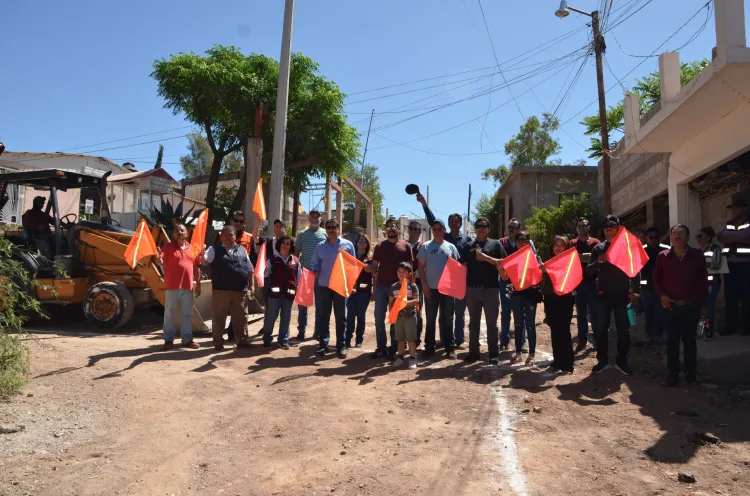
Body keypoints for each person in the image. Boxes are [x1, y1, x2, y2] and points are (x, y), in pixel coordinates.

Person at [653, 225, 709, 387]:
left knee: (690, 341)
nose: (677, 236)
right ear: (670, 236)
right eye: (674, 233)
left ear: (688, 236)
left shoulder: (697, 256)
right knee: (672, 341)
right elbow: (656, 280)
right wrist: (662, 296)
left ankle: (690, 376)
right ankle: (673, 374)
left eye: (681, 233)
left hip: (691, 306)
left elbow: (703, 282)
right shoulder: (663, 256)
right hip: (671, 307)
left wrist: (704, 304)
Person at [586, 215, 640, 376]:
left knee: (624, 329)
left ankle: (622, 361)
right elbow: (588, 271)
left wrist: (636, 291)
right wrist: (598, 262)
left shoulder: (627, 247)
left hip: (623, 295)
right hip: (603, 295)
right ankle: (602, 360)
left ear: (618, 227)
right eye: (605, 225)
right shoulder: (598, 248)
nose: (608, 227)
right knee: (601, 329)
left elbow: (636, 270)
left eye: (612, 225)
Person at [416, 194, 471, 349]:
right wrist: (424, 204)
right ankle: (438, 343)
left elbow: (466, 260)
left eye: (456, 221)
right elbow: (433, 219)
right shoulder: (439, 238)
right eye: (451, 221)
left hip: (455, 285)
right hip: (435, 287)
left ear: (460, 224)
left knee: (456, 315)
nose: (454, 223)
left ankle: (456, 341)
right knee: (436, 318)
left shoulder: (466, 240)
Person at [462, 217, 507, 364]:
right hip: (472, 290)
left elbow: (504, 264)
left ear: (489, 229)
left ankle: (493, 352)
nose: (481, 228)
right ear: (475, 229)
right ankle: (473, 352)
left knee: (492, 324)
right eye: (478, 226)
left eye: (484, 226)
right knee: (473, 323)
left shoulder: (496, 244)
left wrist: (485, 258)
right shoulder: (469, 245)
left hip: (490, 290)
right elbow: (462, 266)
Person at [367, 218, 414, 359]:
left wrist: (408, 289)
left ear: (399, 229)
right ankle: (381, 347)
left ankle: (394, 348)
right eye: (389, 226)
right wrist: (367, 268)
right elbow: (374, 267)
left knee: (396, 318)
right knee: (378, 317)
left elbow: (410, 268)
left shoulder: (406, 246)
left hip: (398, 288)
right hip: (382, 287)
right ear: (386, 230)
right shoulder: (380, 246)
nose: (392, 228)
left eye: (395, 226)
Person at [311, 218, 355, 358]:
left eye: (333, 227)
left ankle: (341, 346)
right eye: (328, 227)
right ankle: (323, 345)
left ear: (338, 229)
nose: (330, 230)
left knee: (341, 317)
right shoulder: (320, 247)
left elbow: (352, 266)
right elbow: (315, 264)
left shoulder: (347, 245)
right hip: (324, 286)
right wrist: (315, 270)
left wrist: (350, 285)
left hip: (340, 287)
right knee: (324, 316)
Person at [417, 219, 461, 359]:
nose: (436, 231)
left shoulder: (451, 247)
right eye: (434, 229)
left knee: (448, 319)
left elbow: (456, 268)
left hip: (447, 290)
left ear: (444, 230)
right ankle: (429, 347)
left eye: (438, 228)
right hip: (431, 289)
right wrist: (424, 285)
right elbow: (420, 268)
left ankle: (450, 348)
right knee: (431, 319)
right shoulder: (425, 246)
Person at [206, 225, 255, 351]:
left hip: (240, 290)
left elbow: (250, 269)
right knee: (219, 317)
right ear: (221, 236)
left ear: (235, 237)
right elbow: (205, 260)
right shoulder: (214, 249)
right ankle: (218, 342)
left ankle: (242, 340)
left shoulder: (243, 250)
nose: (228, 237)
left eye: (231, 234)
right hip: (221, 290)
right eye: (226, 234)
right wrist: (201, 256)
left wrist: (252, 285)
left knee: (241, 317)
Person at [159, 223, 201, 351]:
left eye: (182, 230)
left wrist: (198, 283)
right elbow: (160, 261)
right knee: (169, 313)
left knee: (187, 314)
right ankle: (168, 340)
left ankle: (187, 339)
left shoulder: (193, 248)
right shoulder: (167, 247)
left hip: (187, 287)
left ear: (187, 233)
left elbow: (196, 267)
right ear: (173, 234)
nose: (180, 233)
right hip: (171, 286)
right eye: (177, 231)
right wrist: (157, 259)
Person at [500, 218, 537, 351]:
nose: (513, 230)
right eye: (511, 228)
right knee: (506, 311)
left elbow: (533, 259)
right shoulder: (502, 242)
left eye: (516, 228)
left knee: (523, 313)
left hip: (523, 282)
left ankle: (523, 342)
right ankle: (504, 339)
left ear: (520, 228)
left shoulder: (527, 242)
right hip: (506, 281)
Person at [540, 236, 575, 374]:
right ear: (552, 247)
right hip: (550, 298)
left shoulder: (570, 262)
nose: (559, 248)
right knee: (554, 329)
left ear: (566, 248)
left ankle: (568, 364)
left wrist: (547, 270)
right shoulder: (548, 262)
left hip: (565, 298)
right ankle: (557, 361)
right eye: (556, 245)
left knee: (564, 330)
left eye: (562, 245)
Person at [221, 211, 258, 340]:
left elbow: (253, 260)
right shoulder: (221, 236)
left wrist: (251, 281)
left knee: (240, 309)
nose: (238, 223)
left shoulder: (249, 238)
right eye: (236, 220)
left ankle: (235, 334)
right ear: (231, 221)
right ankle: (219, 337)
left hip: (241, 280)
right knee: (224, 309)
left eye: (241, 221)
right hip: (224, 280)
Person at [717, 193, 750, 336]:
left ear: (744, 209)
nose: (734, 210)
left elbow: (747, 235)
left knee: (747, 297)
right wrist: (740, 237)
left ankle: (746, 327)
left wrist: (730, 237)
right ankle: (732, 327)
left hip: (746, 265)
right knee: (730, 297)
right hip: (730, 265)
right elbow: (720, 236)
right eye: (732, 208)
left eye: (736, 208)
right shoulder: (728, 224)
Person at [261, 235, 300, 351]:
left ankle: (283, 340)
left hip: (289, 294)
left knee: (286, 317)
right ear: (279, 244)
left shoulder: (296, 261)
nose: (285, 246)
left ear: (291, 246)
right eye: (283, 243)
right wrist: (265, 270)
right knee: (271, 316)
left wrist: (296, 290)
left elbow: (299, 278)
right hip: (274, 294)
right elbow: (266, 275)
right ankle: (267, 339)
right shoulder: (272, 259)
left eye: (288, 244)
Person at [294, 210, 327, 341]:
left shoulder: (325, 234)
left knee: (320, 304)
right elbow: (296, 254)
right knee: (303, 303)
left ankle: (317, 332)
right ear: (308, 218)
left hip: (320, 274)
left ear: (320, 219)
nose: (314, 219)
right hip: (305, 273)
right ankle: (301, 330)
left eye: (317, 217)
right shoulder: (302, 235)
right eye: (312, 217)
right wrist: (296, 271)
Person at [509, 231, 541, 367]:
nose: (521, 242)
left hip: (530, 295)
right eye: (518, 240)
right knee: (518, 325)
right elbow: (506, 277)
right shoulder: (512, 257)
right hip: (517, 294)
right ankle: (518, 354)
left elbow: (541, 275)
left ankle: (531, 355)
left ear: (529, 242)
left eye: (523, 239)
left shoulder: (535, 257)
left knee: (530, 325)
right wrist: (500, 267)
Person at [570, 217, 601, 352]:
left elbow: (599, 259)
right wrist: (588, 257)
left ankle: (597, 339)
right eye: (579, 226)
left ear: (589, 227)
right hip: (578, 282)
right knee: (581, 313)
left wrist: (580, 256)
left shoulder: (596, 242)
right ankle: (582, 340)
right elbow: (571, 258)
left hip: (593, 282)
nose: (581, 228)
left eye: (584, 225)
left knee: (595, 312)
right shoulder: (572, 243)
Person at [639, 227, 670, 344]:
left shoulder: (666, 250)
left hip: (662, 288)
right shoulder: (641, 250)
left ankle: (659, 335)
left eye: (656, 237)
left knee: (661, 312)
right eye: (650, 237)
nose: (653, 240)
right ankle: (649, 335)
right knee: (648, 312)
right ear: (647, 238)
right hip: (647, 288)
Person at [389, 262, 420, 369]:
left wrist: (405, 302)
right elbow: (391, 302)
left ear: (409, 273)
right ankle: (400, 357)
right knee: (400, 338)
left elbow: (417, 300)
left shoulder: (412, 286)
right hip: (398, 317)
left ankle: (412, 358)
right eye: (399, 271)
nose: (401, 274)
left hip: (410, 316)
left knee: (411, 339)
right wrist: (391, 314)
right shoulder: (393, 287)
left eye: (404, 272)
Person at [345, 233, 373, 349]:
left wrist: (368, 268)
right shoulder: (351, 257)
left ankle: (359, 339)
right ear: (356, 243)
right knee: (350, 315)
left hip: (364, 292)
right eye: (360, 240)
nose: (362, 243)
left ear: (367, 244)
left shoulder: (370, 259)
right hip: (351, 291)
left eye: (364, 241)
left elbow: (374, 272)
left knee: (361, 316)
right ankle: (347, 338)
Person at [697, 226, 724, 341]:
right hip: (702, 284)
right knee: (702, 306)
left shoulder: (715, 249)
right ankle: (703, 331)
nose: (699, 239)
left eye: (701, 236)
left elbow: (716, 265)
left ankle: (710, 331)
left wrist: (702, 267)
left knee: (709, 306)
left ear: (708, 237)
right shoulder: (700, 251)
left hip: (712, 283)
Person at [407, 220, 426, 346]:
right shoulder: (403, 244)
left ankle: (417, 337)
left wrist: (418, 273)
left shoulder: (423, 246)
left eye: (416, 229)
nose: (413, 231)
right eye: (411, 228)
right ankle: (403, 337)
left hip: (418, 283)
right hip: (404, 283)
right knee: (403, 310)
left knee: (417, 310)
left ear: (420, 232)